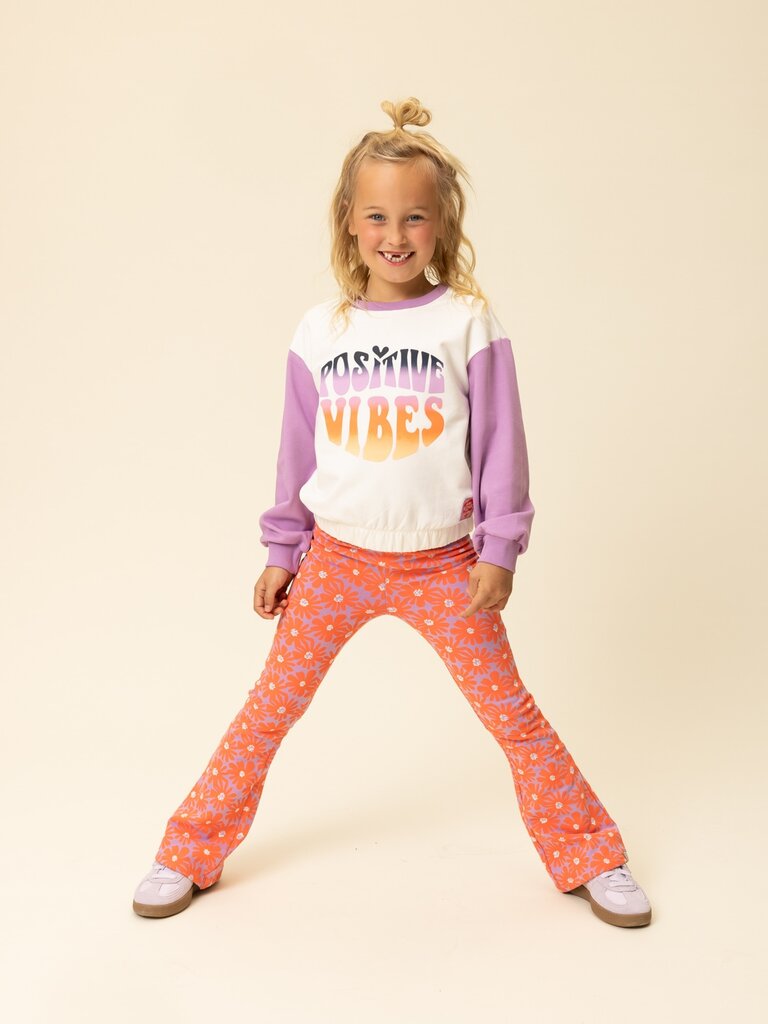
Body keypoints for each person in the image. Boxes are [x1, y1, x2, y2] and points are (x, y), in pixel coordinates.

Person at [133, 96, 652, 928]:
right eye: (377, 216)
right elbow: (296, 451)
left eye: (415, 216)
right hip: (336, 561)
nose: (396, 234)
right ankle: (187, 850)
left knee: (512, 716)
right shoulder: (320, 329)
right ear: (348, 220)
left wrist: (500, 547)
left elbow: (502, 443)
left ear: (443, 223)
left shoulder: (467, 321)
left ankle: (592, 855)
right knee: (269, 709)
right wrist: (281, 550)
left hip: (445, 565)